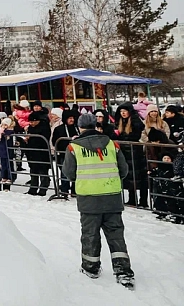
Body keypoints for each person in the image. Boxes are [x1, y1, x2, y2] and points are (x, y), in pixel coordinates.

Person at [62, 113, 135, 289]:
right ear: (96, 125)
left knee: (90, 234)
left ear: (80, 127)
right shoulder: (112, 144)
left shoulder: (73, 147)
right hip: (112, 197)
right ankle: (123, 271)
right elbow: (123, 170)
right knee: (116, 234)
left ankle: (91, 267)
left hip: (88, 199)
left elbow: (69, 173)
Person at [114, 103, 147, 207]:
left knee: (140, 177)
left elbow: (139, 128)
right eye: (121, 111)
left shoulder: (134, 121)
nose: (123, 113)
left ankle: (143, 200)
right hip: (125, 152)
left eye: (125, 111)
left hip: (135, 152)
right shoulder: (120, 122)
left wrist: (134, 117)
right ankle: (132, 199)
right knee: (129, 177)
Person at [24, 110, 52, 196]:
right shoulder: (30, 128)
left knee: (43, 172)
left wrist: (32, 136)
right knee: (33, 172)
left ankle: (43, 189)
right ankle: (33, 188)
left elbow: (45, 137)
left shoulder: (44, 127)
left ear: (37, 120)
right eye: (30, 122)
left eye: (32, 121)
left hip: (42, 153)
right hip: (32, 153)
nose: (31, 123)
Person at [53, 112, 81, 196]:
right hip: (64, 153)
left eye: (72, 118)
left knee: (76, 172)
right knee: (64, 172)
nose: (72, 120)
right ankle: (64, 190)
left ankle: (74, 190)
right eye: (69, 118)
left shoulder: (77, 128)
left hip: (77, 154)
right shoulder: (59, 129)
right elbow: (55, 141)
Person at [0, 117, 16, 189]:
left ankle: (9, 177)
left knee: (9, 165)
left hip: (8, 151)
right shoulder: (0, 131)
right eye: (2, 125)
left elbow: (10, 133)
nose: (4, 127)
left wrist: (3, 132)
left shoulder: (10, 131)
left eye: (5, 125)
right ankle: (4, 177)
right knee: (3, 165)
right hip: (2, 151)